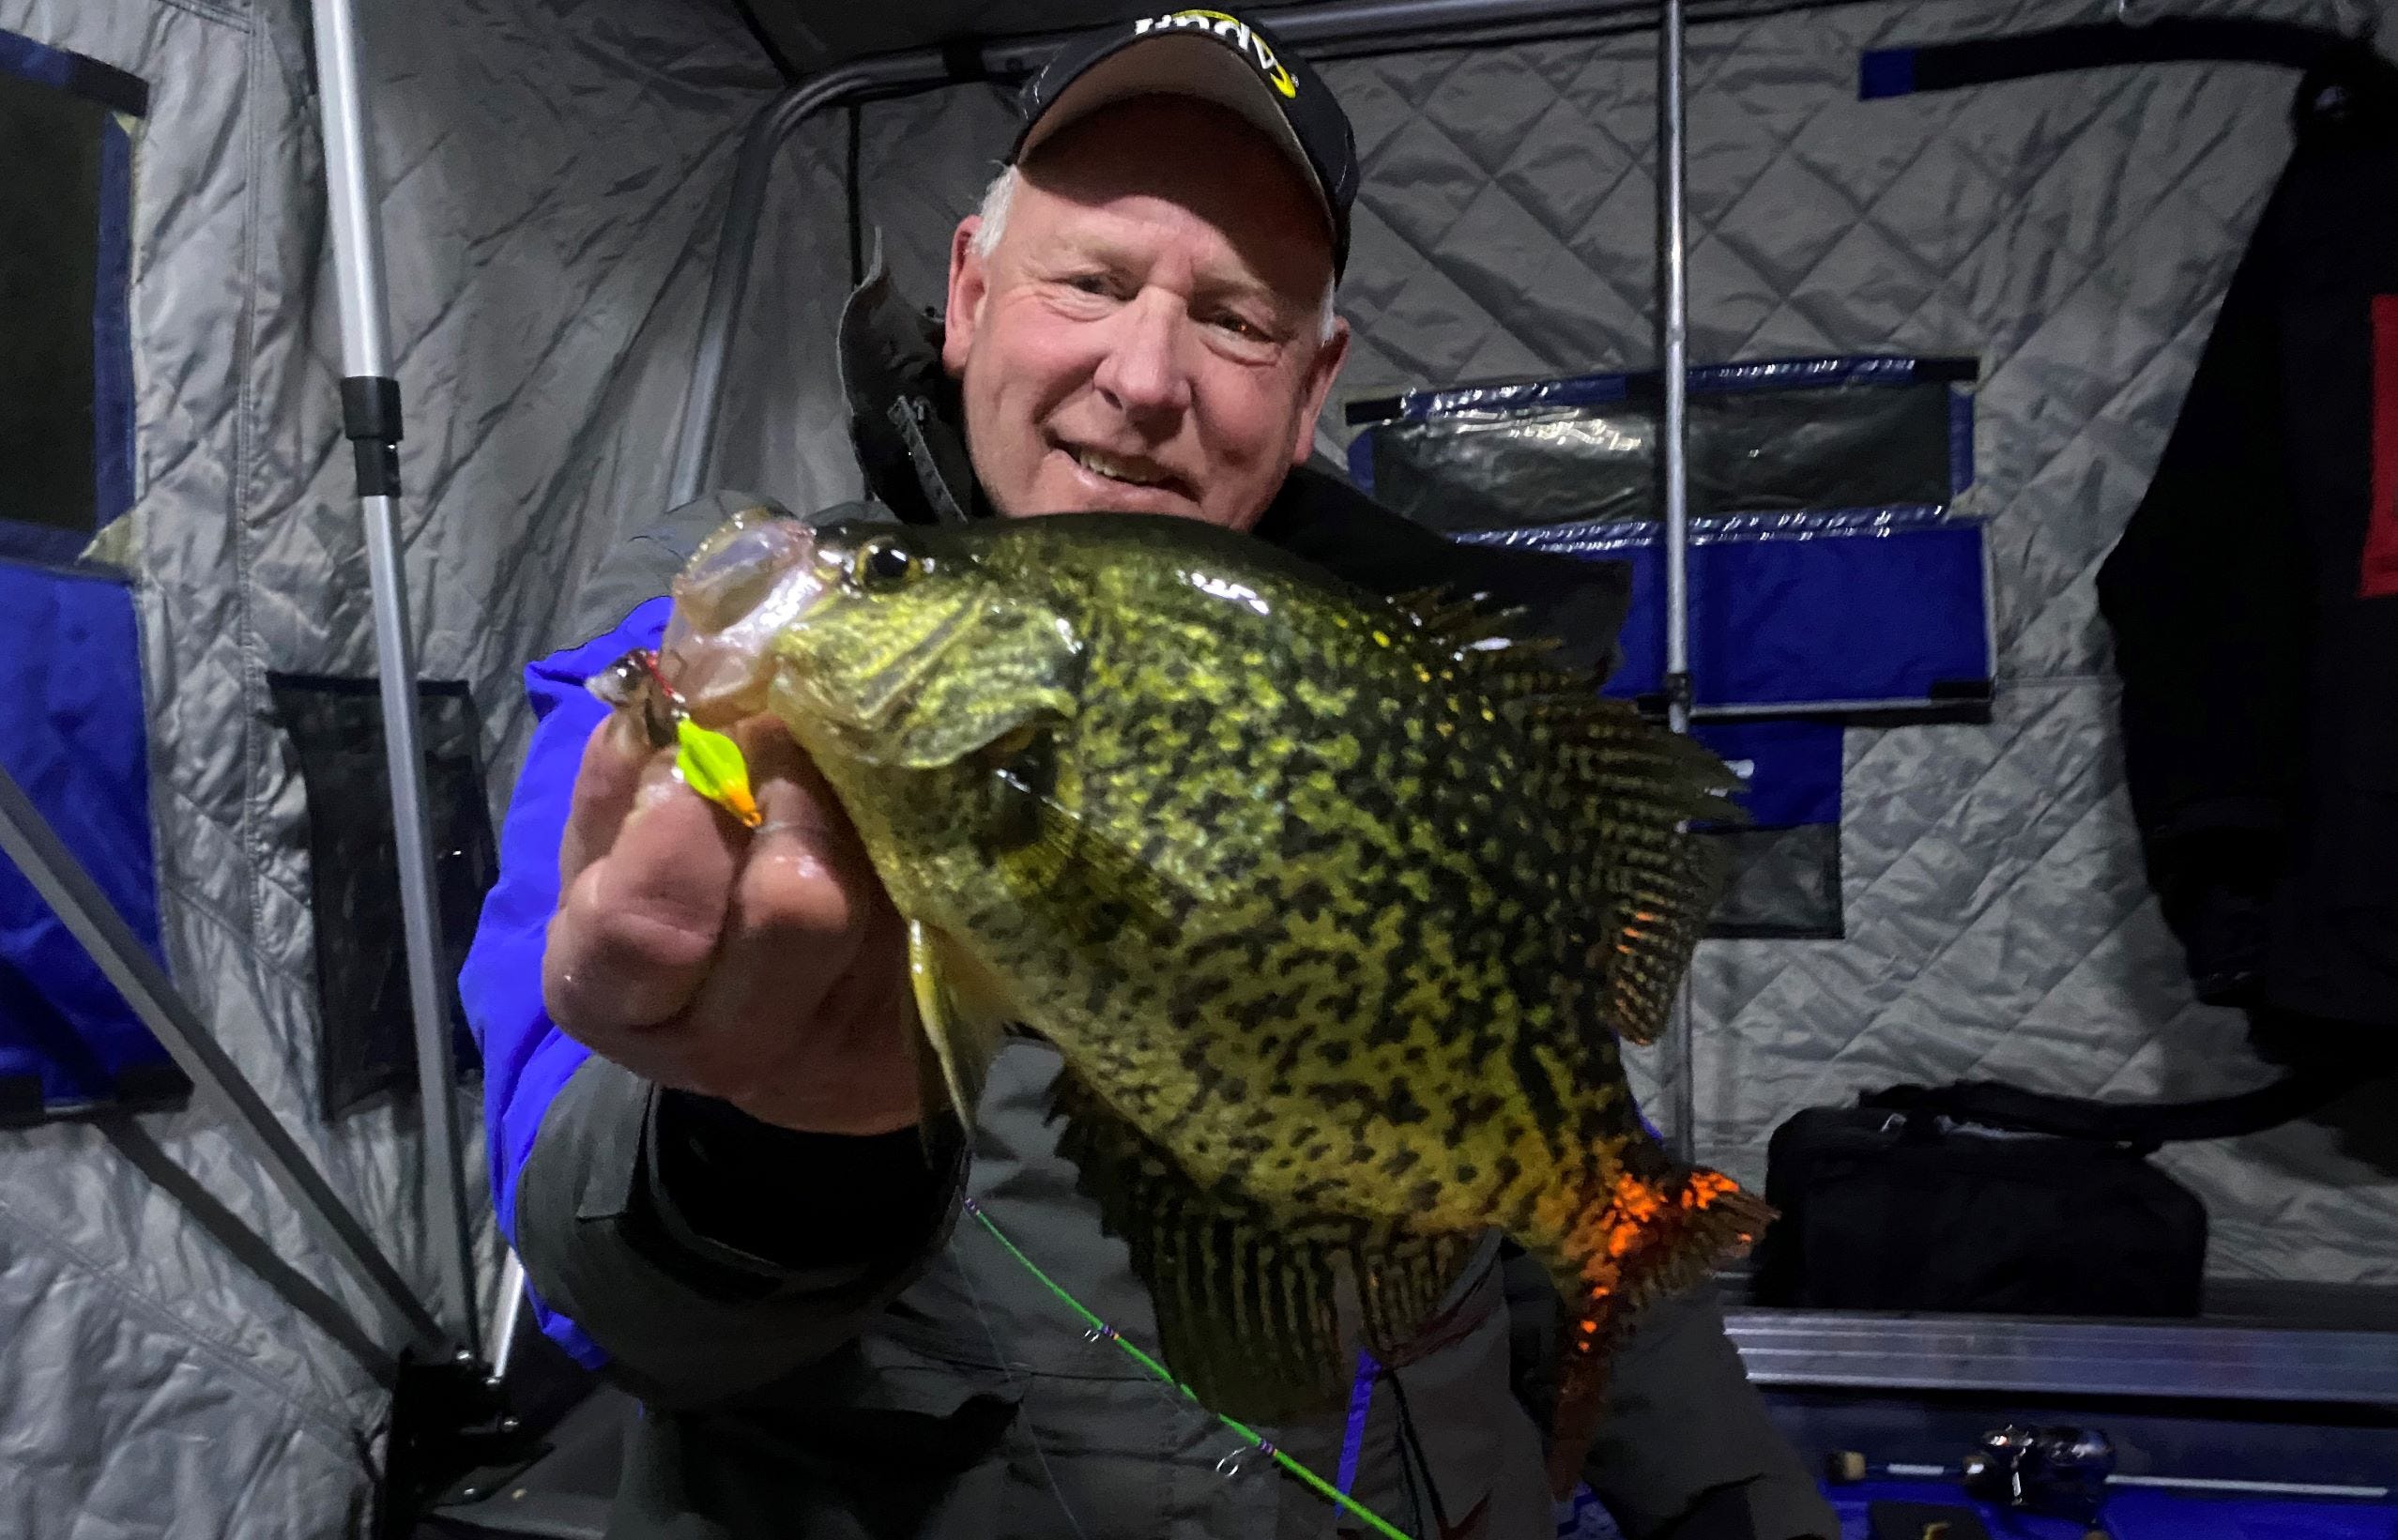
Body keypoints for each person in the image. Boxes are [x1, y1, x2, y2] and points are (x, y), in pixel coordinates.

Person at [462, 13, 1840, 1539]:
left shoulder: (1410, 722)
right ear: (972, 292)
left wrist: (1739, 1505)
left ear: (1313, 385)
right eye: (1093, 281)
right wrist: (768, 1148)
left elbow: (1531, 1165)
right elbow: (598, 1296)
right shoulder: (710, 685)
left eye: (1237, 319)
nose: (1144, 376)